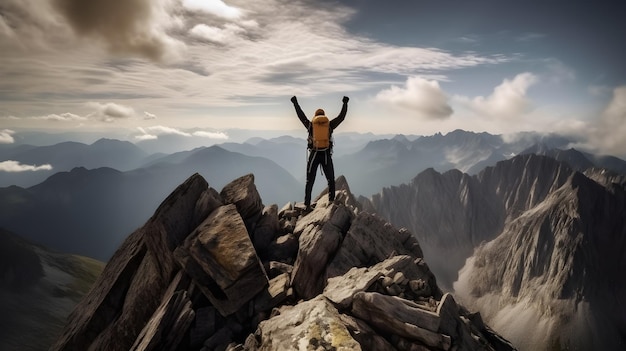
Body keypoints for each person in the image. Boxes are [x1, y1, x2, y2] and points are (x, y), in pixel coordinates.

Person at [290, 95, 349, 210]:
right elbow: (341, 117)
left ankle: (307, 204)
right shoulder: (330, 125)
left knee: (309, 180)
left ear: (315, 116)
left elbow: (300, 116)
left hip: (314, 154)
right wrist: (345, 103)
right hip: (326, 154)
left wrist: (295, 103)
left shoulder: (311, 125)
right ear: (324, 116)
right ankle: (331, 201)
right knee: (330, 179)